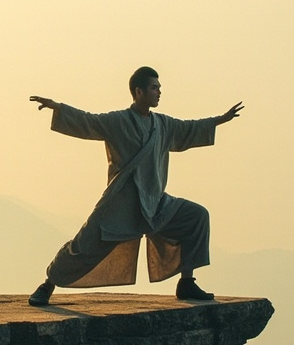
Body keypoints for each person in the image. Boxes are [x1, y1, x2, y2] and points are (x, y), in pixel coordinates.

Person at [28, 66, 243, 306]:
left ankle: (187, 282)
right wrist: (59, 108)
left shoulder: (163, 124)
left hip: (156, 203)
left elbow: (188, 128)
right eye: (154, 88)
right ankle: (48, 284)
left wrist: (219, 120)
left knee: (197, 216)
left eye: (159, 87)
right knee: (84, 244)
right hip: (122, 204)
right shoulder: (118, 121)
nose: (159, 92)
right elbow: (89, 121)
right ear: (138, 92)